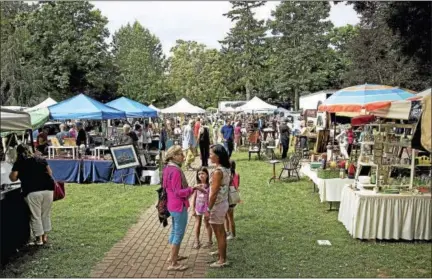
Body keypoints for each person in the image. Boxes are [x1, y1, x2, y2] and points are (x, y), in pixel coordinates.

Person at [163, 146, 206, 271]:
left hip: (171, 204)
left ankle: (173, 256)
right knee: (178, 234)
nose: (183, 156)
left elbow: (167, 187)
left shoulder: (167, 168)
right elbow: (178, 192)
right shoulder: (176, 171)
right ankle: (173, 263)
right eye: (180, 154)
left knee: (174, 231)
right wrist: (193, 188)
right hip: (178, 205)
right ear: (173, 156)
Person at [9, 144, 55, 246]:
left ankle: (39, 239)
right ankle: (45, 236)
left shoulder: (19, 162)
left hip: (32, 191)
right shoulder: (41, 159)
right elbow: (50, 173)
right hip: (48, 189)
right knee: (45, 214)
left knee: (36, 216)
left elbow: (13, 178)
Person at [207, 144, 230, 267]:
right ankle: (220, 252)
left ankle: (222, 260)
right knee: (219, 231)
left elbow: (214, 193)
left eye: (211, 154)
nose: (209, 156)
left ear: (218, 156)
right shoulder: (225, 168)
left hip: (217, 205)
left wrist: (208, 208)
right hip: (223, 203)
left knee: (220, 232)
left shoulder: (218, 172)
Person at [191, 167, 212, 249]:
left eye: (203, 173)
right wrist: (193, 209)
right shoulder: (197, 186)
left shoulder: (209, 186)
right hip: (198, 207)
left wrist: (208, 210)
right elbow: (194, 197)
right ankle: (197, 241)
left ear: (207, 174)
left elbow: (210, 199)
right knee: (197, 224)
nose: (201, 175)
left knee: (207, 224)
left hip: (206, 208)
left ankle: (210, 241)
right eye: (199, 174)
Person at [225, 160, 239, 241]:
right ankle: (228, 231)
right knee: (228, 217)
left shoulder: (228, 176)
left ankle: (232, 234)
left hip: (228, 198)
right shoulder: (237, 175)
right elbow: (237, 185)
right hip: (234, 197)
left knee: (229, 217)